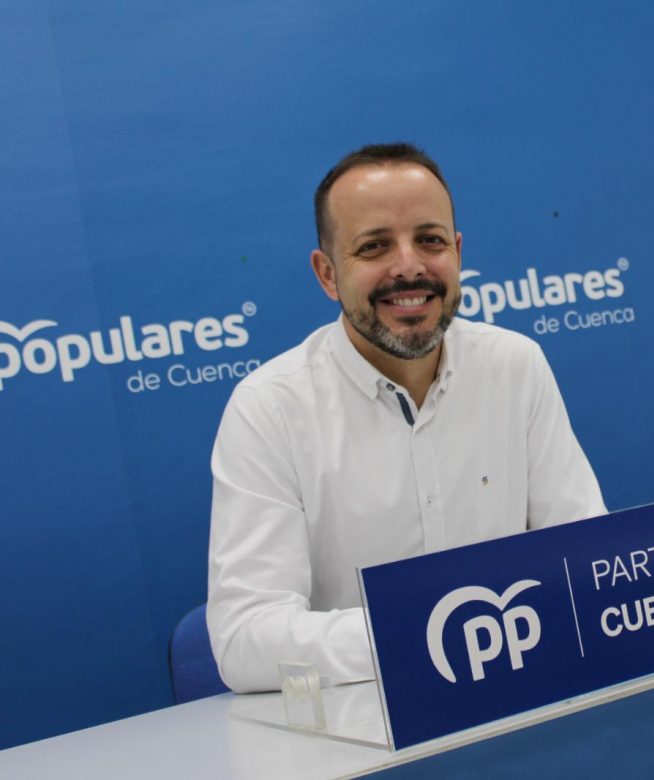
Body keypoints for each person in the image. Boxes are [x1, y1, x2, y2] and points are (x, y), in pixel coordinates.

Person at [207, 143, 606, 693]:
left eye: (430, 240)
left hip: (528, 697)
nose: (410, 267)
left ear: (457, 253)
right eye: (374, 246)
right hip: (367, 724)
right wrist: (442, 631)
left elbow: (587, 560)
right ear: (328, 274)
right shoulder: (270, 408)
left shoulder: (515, 364)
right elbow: (246, 639)